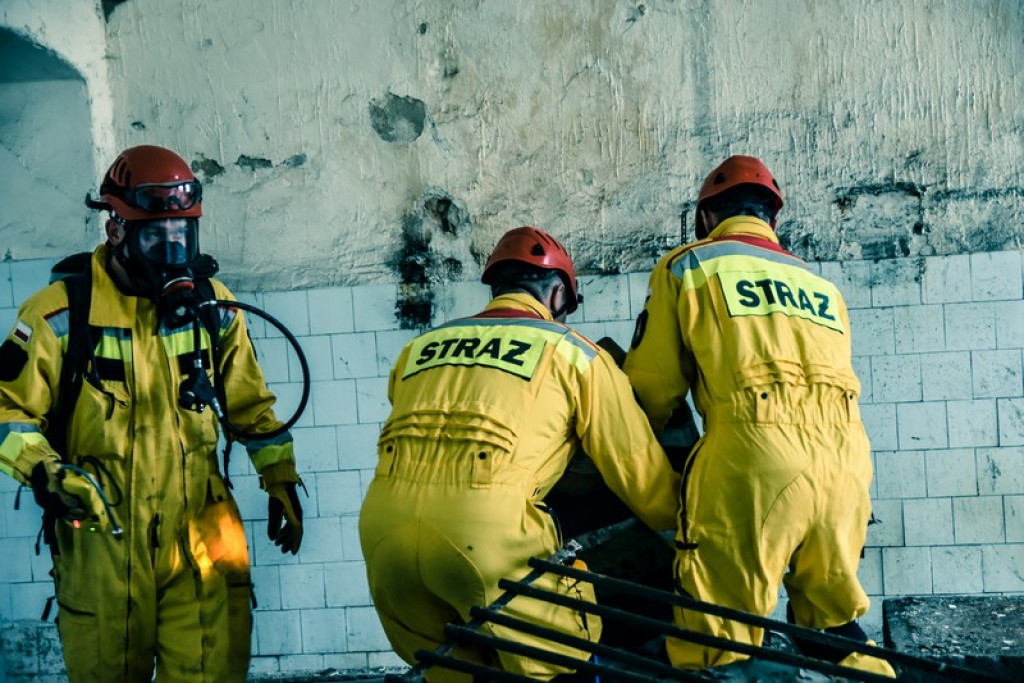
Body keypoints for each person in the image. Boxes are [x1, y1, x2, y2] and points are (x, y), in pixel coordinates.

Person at [0, 144, 304, 682]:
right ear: (115, 230)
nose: (171, 249)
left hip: (204, 539)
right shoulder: (59, 314)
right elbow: (7, 411)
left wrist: (280, 478)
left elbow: (252, 407)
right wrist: (44, 472)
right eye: (154, 235)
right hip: (102, 545)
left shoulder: (215, 310)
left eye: (182, 233)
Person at [359, 226, 680, 682]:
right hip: (491, 543)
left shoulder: (419, 349)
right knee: (556, 667)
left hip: (383, 539)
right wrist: (686, 534)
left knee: (452, 673)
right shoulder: (574, 353)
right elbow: (636, 469)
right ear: (555, 294)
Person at [623, 155, 896, 676]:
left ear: (706, 217)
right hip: (846, 469)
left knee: (716, 636)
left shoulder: (690, 264)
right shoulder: (821, 287)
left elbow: (654, 390)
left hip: (752, 462)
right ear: (773, 219)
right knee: (832, 624)